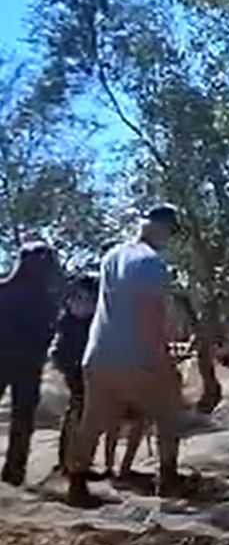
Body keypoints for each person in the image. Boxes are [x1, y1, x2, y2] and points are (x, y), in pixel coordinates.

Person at [67, 204, 185, 506]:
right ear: (161, 228)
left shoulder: (112, 256)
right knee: (169, 411)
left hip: (98, 354)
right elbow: (150, 312)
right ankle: (168, 479)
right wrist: (162, 355)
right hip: (136, 356)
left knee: (92, 420)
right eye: (170, 233)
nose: (169, 239)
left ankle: (77, 485)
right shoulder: (151, 262)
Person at [0, 242, 60, 486]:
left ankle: (14, 475)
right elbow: (48, 333)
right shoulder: (46, 298)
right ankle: (13, 475)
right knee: (22, 421)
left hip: (12, 361)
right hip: (27, 365)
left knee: (22, 421)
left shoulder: (4, 289)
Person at [50, 274, 98, 474]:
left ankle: (77, 462)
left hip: (82, 366)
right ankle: (69, 463)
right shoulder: (69, 321)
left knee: (83, 412)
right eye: (84, 299)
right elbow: (60, 351)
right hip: (73, 366)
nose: (88, 304)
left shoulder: (88, 321)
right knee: (78, 411)